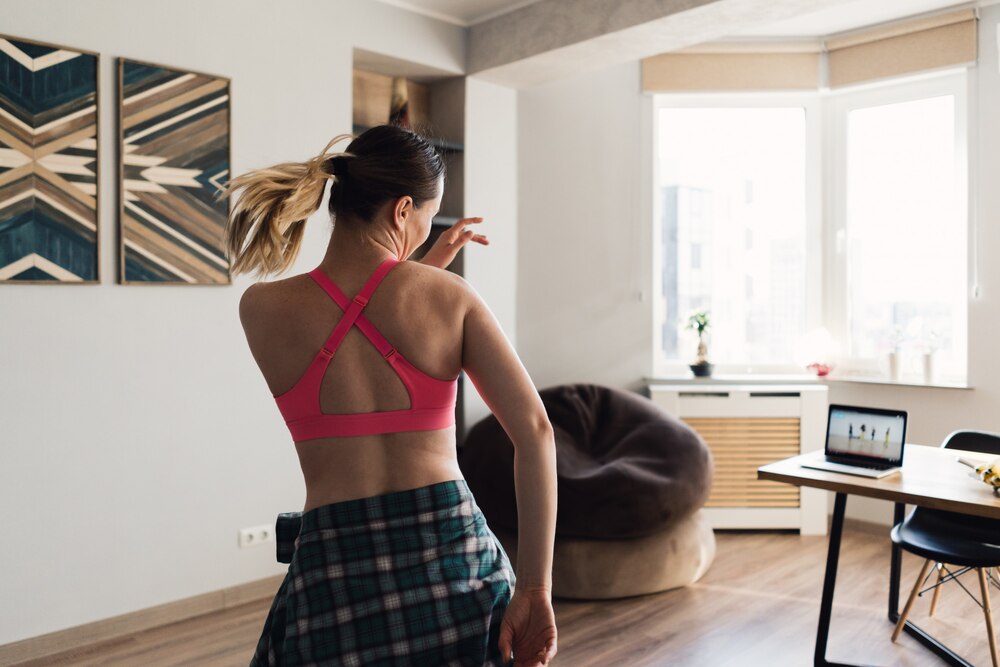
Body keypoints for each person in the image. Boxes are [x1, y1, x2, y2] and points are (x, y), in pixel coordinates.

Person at [223, 125, 558, 666]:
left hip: (334, 569)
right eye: (428, 215)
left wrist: (421, 270)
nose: (427, 231)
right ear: (403, 210)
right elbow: (536, 432)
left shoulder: (261, 308)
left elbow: (353, 323)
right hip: (452, 565)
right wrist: (535, 592)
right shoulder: (449, 298)